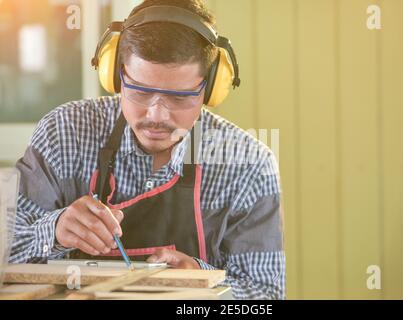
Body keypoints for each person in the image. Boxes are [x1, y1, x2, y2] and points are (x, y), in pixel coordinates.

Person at [10, 0, 285, 299]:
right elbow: (6, 250)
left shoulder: (250, 164)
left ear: (211, 88)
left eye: (179, 98)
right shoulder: (63, 133)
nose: (157, 116)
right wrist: (54, 231)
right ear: (115, 74)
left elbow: (266, 297)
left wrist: (206, 284)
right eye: (140, 92)